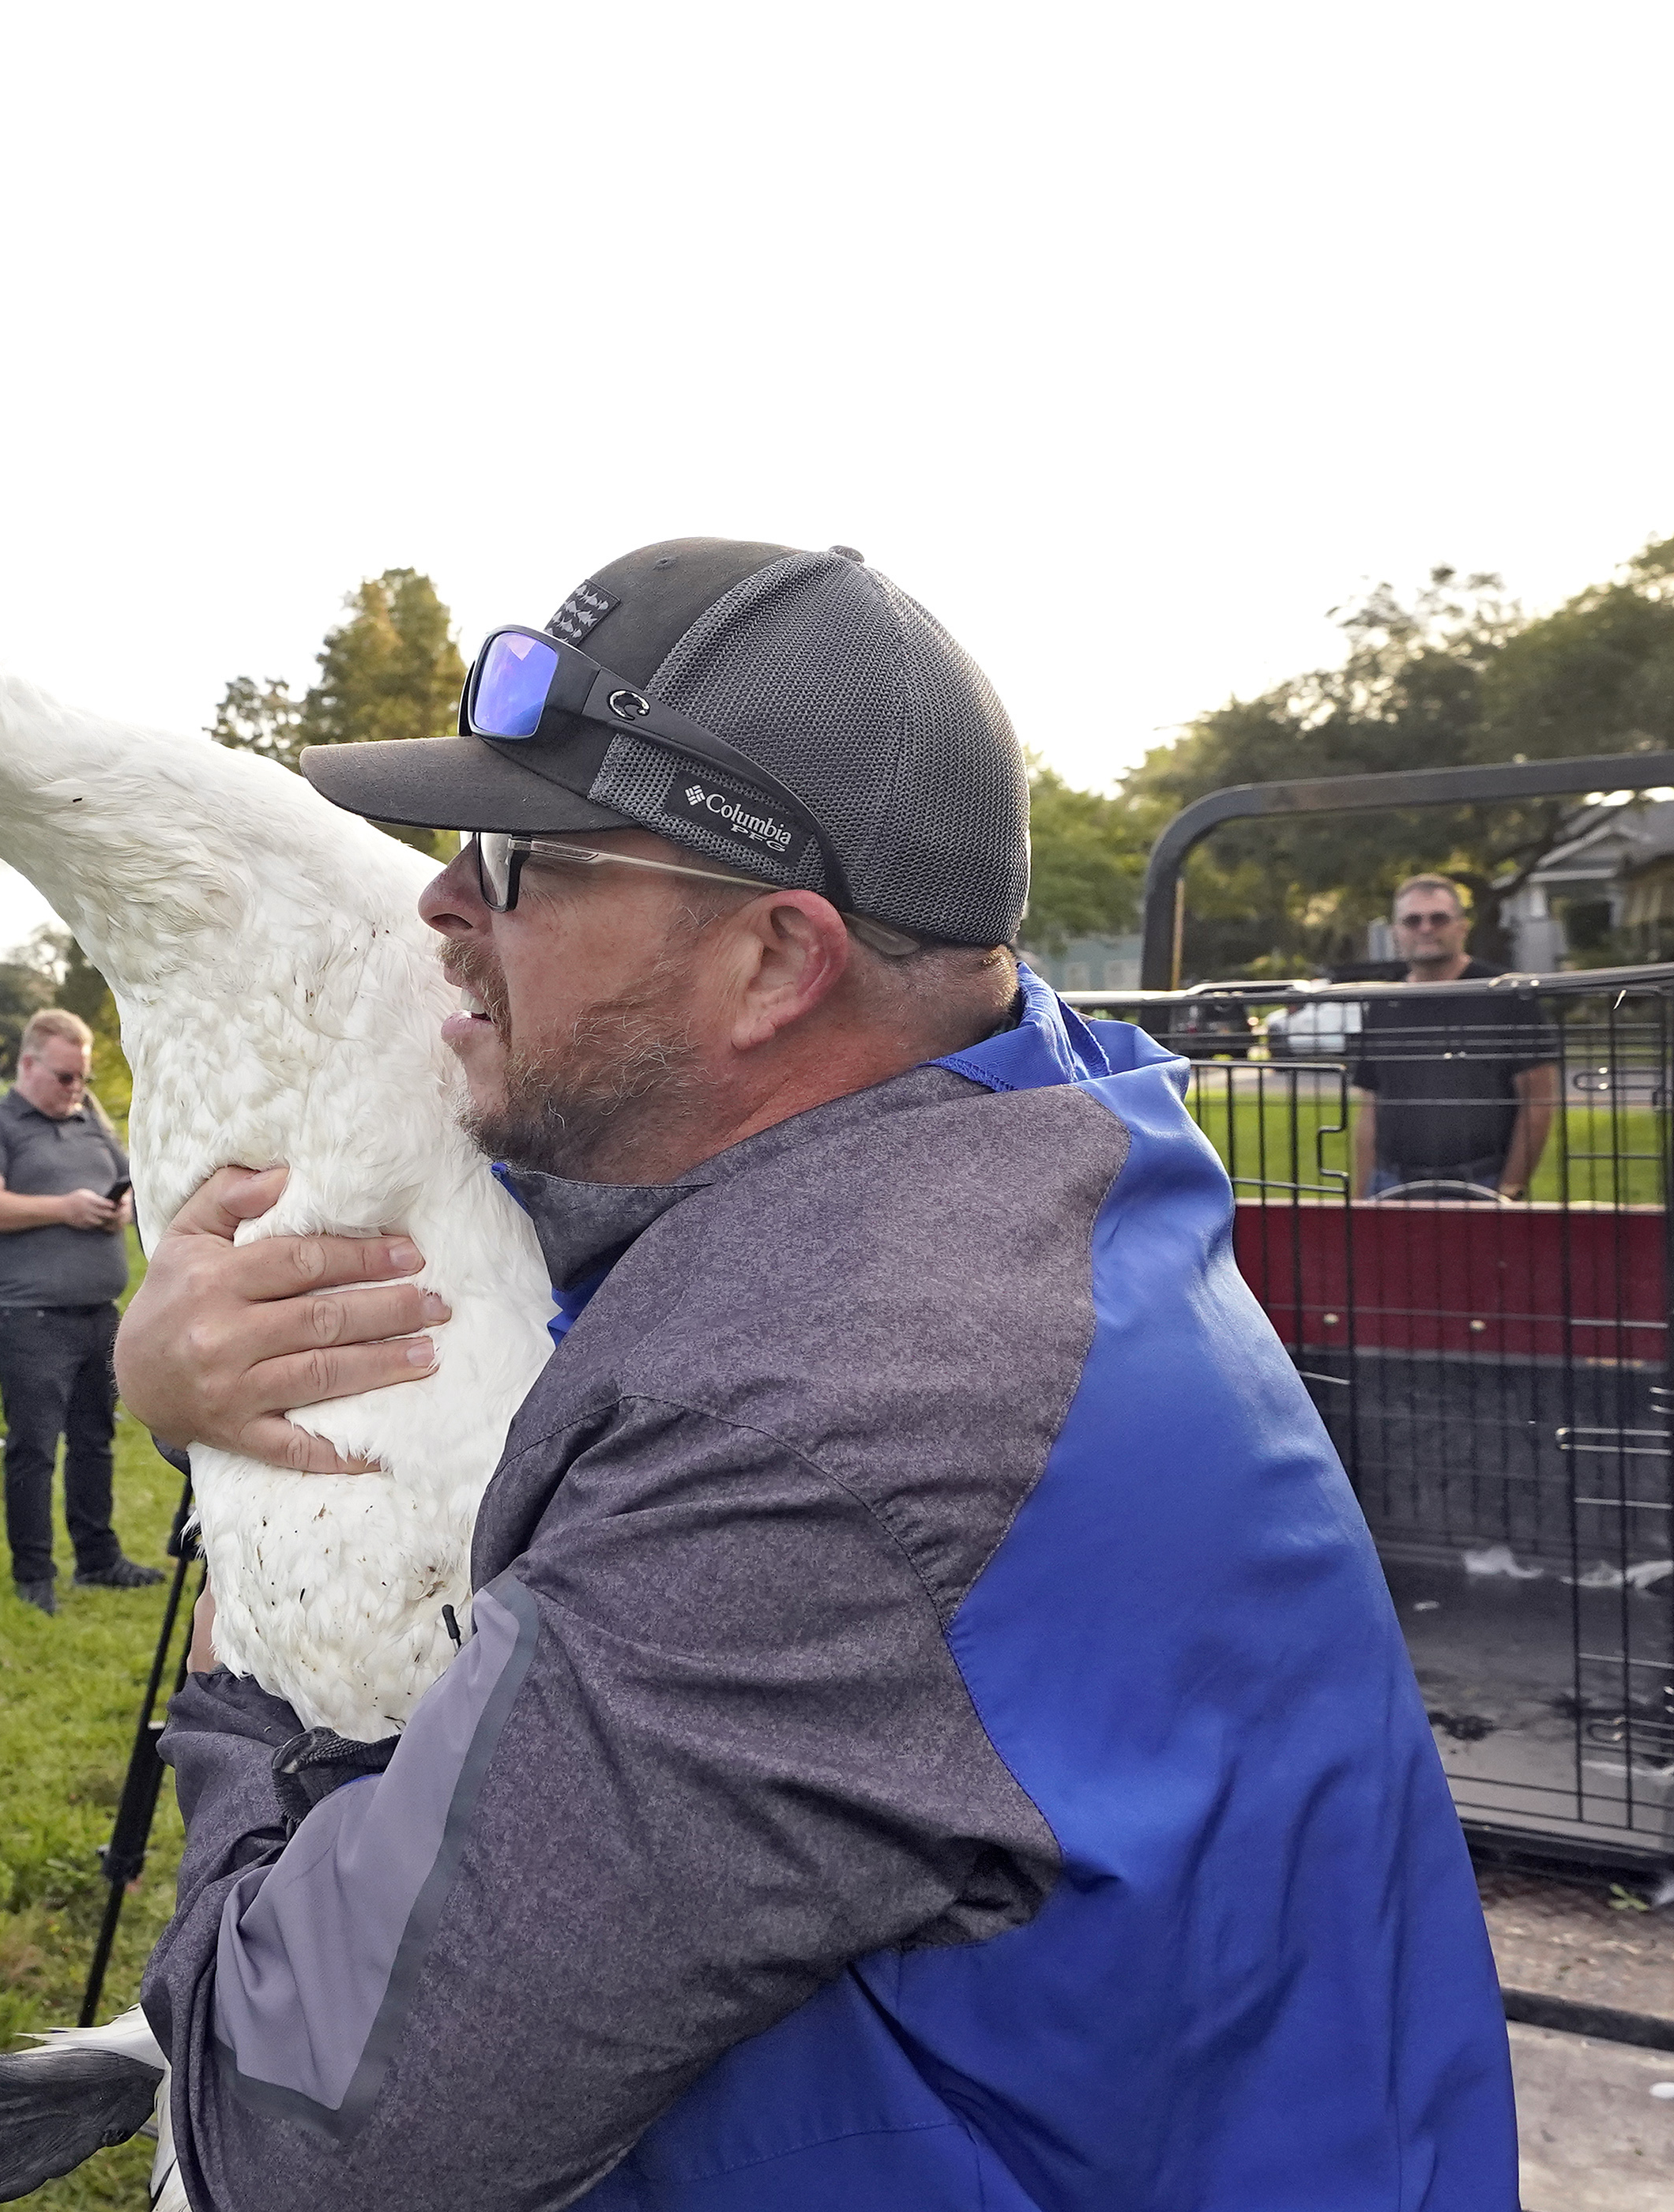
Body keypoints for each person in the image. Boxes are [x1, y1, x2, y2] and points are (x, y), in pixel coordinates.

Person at [113, 540, 1512, 2206]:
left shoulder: (817, 1432)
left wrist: (250, 1685)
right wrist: (196, 1349)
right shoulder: (1037, 1140)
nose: (441, 907)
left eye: (517, 860)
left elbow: (308, 2130)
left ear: (779, 962)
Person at [0, 1008, 158, 1612]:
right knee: (34, 1448)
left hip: (97, 1311)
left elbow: (127, 1177)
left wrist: (119, 1208)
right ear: (28, 1064)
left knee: (95, 1442)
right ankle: (34, 1575)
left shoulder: (90, 1120)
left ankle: (98, 1559)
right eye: (65, 1077)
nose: (76, 1089)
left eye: (83, 1077)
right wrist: (62, 1208)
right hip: (28, 1316)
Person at [1348, 872, 1559, 1199]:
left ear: (1462, 927)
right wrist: (1360, 1200)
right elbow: (1370, 1108)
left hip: (1481, 1185)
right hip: (1390, 1186)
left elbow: (1538, 1102)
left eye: (1439, 918)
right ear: (1396, 933)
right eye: (1413, 920)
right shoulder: (1382, 1002)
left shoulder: (1507, 994)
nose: (1426, 928)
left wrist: (1509, 1191)